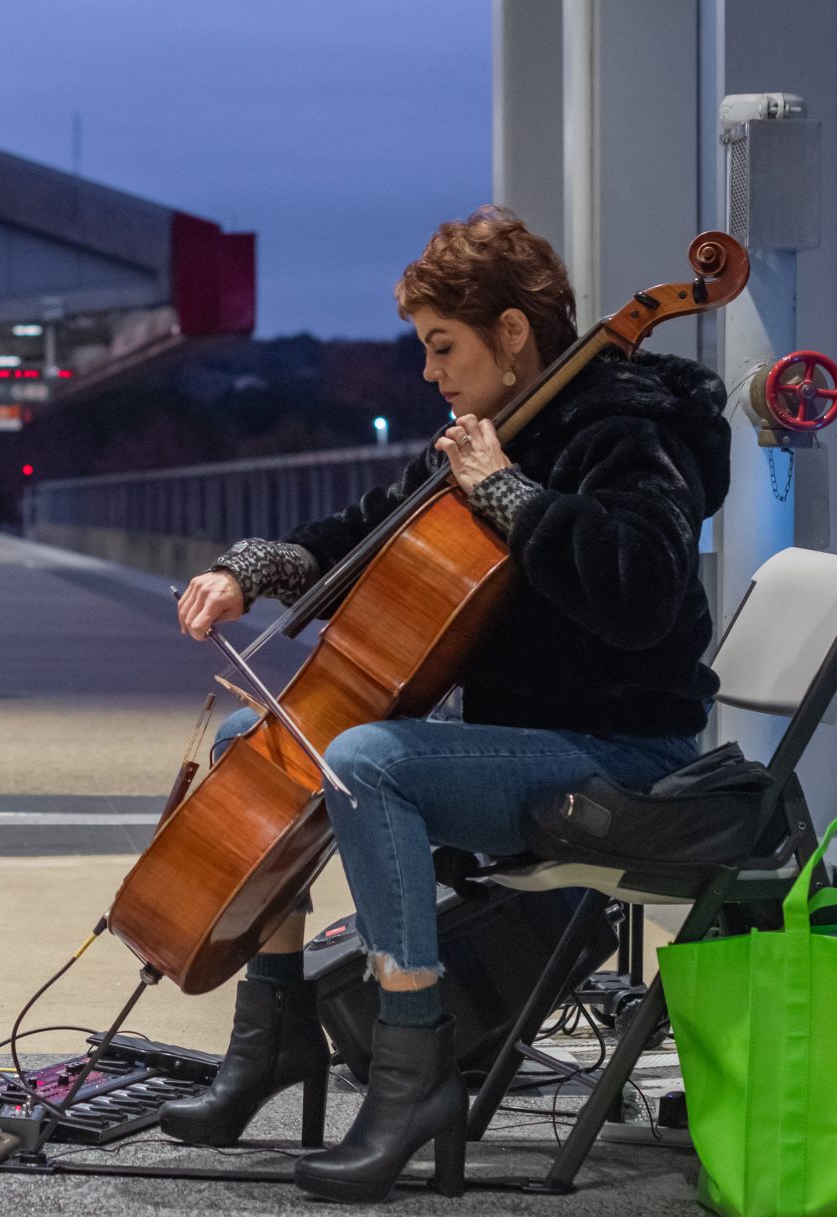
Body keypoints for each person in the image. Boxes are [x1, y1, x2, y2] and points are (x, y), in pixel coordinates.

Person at [162, 207, 727, 1202]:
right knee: (265, 736)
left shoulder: (626, 428)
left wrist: (506, 491)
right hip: (517, 734)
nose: (428, 371)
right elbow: (363, 532)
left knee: (365, 762)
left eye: (442, 346)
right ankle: (275, 1032)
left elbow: (638, 591)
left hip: (620, 750)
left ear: (512, 334)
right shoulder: (490, 434)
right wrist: (244, 571)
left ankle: (413, 1067)